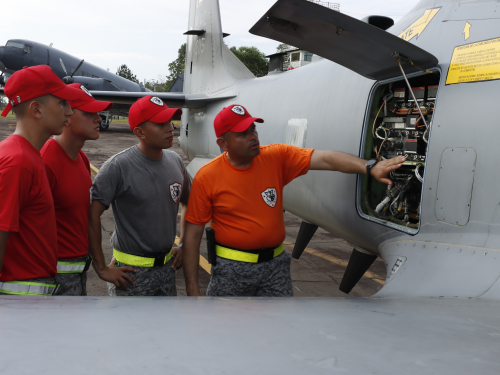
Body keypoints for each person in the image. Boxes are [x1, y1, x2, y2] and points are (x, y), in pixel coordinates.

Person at [183, 104, 406, 297]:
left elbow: (326, 159)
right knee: (227, 334)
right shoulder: (208, 177)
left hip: (275, 268)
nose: (253, 136)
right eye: (242, 133)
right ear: (223, 143)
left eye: (253, 129)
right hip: (231, 271)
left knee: (280, 332)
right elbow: (193, 235)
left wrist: (370, 167)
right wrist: (193, 293)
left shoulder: (275, 157)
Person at [89, 95, 191, 296]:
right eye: (161, 123)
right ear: (139, 132)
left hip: (167, 271)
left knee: (165, 327)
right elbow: (91, 215)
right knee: (128, 328)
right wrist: (101, 268)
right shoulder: (117, 167)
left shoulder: (175, 161)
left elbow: (190, 202)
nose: (171, 128)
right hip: (131, 275)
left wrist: (183, 244)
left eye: (170, 121)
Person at [0, 66, 82, 296]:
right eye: (62, 103)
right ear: (36, 110)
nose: (69, 112)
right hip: (21, 301)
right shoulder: (19, 162)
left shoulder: (26, 155)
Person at [41, 83, 113, 296]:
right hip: (53, 282)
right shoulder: (47, 161)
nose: (99, 118)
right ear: (67, 116)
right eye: (90, 113)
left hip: (77, 276)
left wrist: (101, 268)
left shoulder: (81, 158)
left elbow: (85, 218)